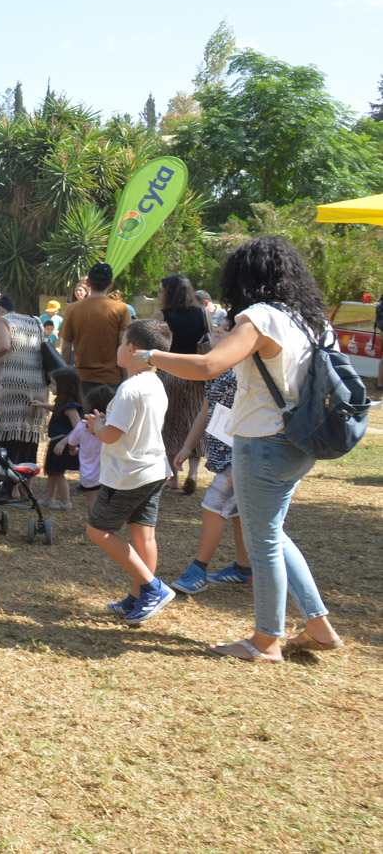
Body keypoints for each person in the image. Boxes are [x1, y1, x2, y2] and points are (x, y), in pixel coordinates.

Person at [135, 236, 345, 661]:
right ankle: (319, 625)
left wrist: (152, 355)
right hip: (301, 439)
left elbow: (211, 365)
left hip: (264, 442)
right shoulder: (311, 320)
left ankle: (266, 640)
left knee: (263, 538)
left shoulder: (261, 317)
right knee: (272, 532)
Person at [82, 319, 175, 626]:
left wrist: (97, 425)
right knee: (143, 534)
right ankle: (138, 596)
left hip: (128, 474)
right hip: (154, 469)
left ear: (132, 349)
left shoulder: (129, 388)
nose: (119, 347)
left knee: (98, 531)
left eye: (122, 343)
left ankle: (152, 588)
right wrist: (107, 423)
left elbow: (110, 436)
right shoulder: (156, 384)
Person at [168, 317, 252, 595]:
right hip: (225, 451)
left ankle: (198, 571)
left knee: (213, 505)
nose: (217, 329)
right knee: (238, 511)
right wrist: (187, 447)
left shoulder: (245, 367)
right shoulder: (218, 366)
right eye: (218, 325)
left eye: (226, 328)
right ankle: (243, 569)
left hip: (241, 452)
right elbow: (206, 410)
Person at [152, 274, 209, 495]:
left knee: (169, 422)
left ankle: (173, 477)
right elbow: (207, 343)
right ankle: (193, 473)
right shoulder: (201, 313)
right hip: (195, 372)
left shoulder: (162, 315)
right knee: (194, 418)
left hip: (169, 372)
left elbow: (155, 345)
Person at [0, 296, 47, 469]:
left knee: (8, 442)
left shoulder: (2, 321)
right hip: (37, 388)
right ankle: (25, 487)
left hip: (12, 389)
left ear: (0, 310)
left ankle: (10, 487)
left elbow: (4, 346)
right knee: (28, 443)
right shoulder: (36, 321)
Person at [59, 262, 130, 387]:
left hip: (82, 378)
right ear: (111, 284)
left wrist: (65, 379)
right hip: (112, 379)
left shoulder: (73, 309)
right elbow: (123, 345)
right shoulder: (121, 309)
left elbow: (66, 348)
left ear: (88, 283)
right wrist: (126, 377)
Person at [37, 367, 83, 510]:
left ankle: (66, 503)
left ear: (64, 387)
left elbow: (78, 427)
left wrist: (63, 443)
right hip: (56, 441)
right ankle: (49, 499)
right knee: (52, 472)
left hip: (61, 441)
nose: (50, 386)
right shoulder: (62, 404)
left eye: (53, 384)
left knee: (58, 474)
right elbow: (57, 410)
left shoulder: (70, 407)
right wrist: (42, 405)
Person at [64, 383, 113, 514]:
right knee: (108, 500)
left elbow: (72, 442)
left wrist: (72, 450)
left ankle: (94, 526)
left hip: (89, 472)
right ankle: (106, 526)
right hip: (109, 471)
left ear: (90, 405)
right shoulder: (112, 425)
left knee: (92, 499)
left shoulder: (83, 425)